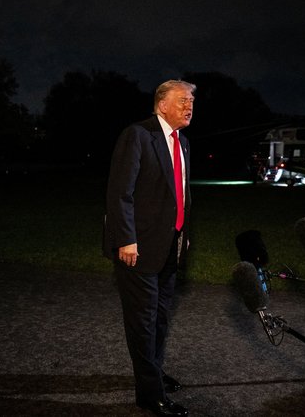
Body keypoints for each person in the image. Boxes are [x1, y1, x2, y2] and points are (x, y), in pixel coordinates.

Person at [103, 79, 194, 416]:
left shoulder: (182, 142)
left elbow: (177, 197)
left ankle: (151, 374)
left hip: (169, 246)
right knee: (142, 319)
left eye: (191, 102)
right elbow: (120, 193)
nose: (189, 107)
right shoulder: (137, 135)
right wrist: (126, 239)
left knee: (159, 318)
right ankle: (149, 393)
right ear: (162, 104)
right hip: (136, 248)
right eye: (183, 100)